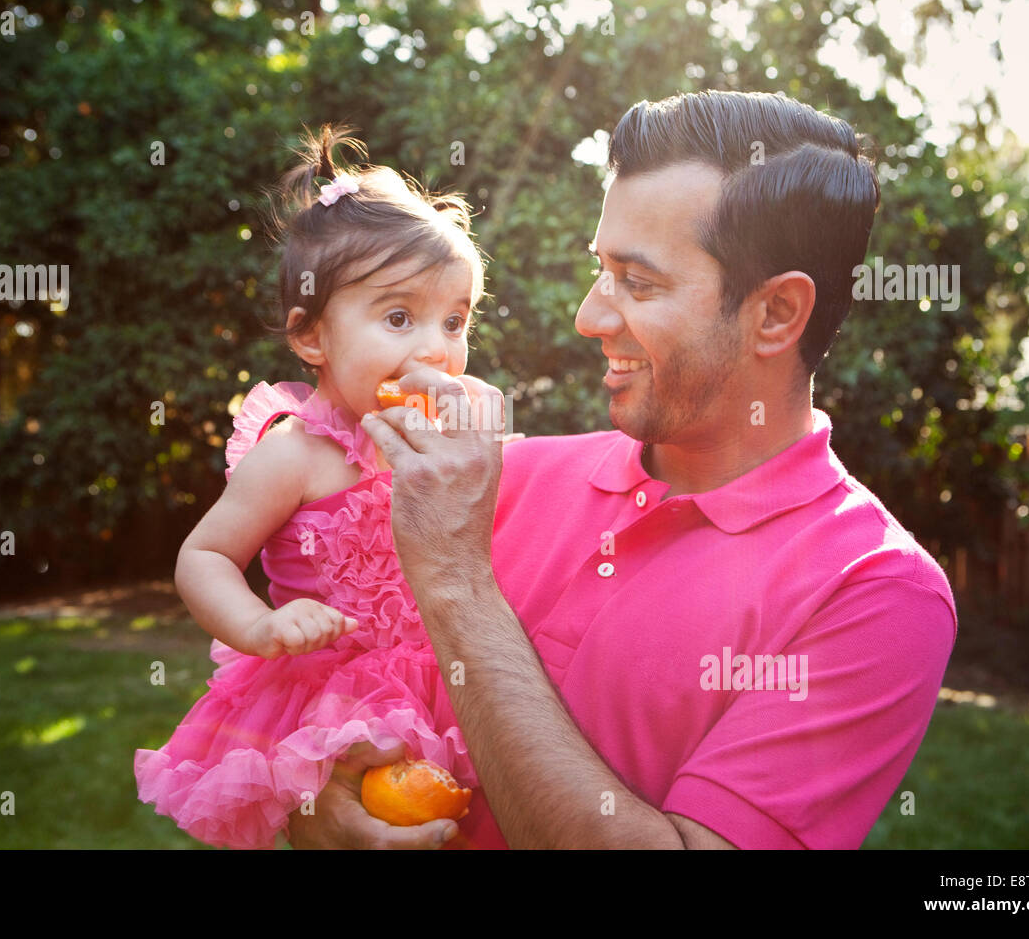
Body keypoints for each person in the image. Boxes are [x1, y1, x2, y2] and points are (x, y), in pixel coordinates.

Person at [289, 90, 958, 849]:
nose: (590, 316)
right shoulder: (494, 480)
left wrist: (457, 582)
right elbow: (334, 708)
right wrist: (317, 808)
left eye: (637, 283)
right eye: (600, 271)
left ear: (775, 314)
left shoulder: (876, 593)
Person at [133, 124, 487, 849]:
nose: (435, 347)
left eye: (455, 320)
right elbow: (203, 557)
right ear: (312, 337)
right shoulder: (295, 456)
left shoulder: (444, 444)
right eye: (399, 317)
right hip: (336, 689)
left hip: (446, 672)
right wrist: (260, 628)